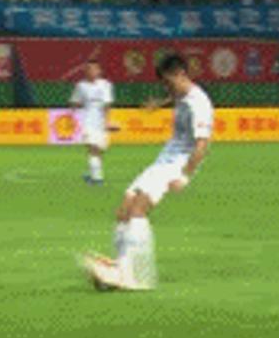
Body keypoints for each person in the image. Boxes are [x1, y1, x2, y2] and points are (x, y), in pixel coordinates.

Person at [79, 54, 214, 291]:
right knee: (124, 208)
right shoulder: (180, 94)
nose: (166, 87)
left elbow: (202, 144)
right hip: (163, 159)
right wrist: (159, 104)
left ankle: (132, 275)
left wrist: (185, 175)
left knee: (138, 208)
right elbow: (174, 97)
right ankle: (121, 266)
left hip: (175, 164)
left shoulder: (200, 103)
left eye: (168, 82)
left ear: (180, 74)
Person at [69, 60, 114, 185]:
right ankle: (97, 179)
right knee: (92, 149)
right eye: (89, 69)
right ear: (85, 71)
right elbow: (75, 102)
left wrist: (107, 121)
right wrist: (73, 115)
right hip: (87, 121)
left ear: (99, 71)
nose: (92, 71)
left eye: (94, 69)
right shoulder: (81, 86)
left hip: (101, 123)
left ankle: (92, 174)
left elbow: (107, 104)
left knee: (99, 150)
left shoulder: (105, 85)